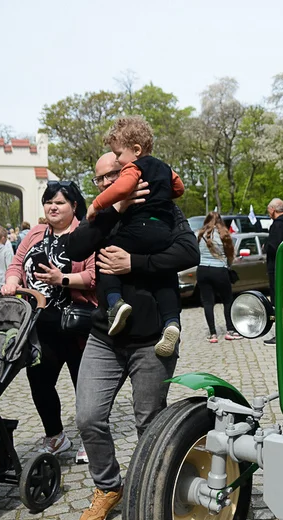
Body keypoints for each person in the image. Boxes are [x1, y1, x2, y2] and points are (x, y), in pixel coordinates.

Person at [64, 158, 199, 520]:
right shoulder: (105, 212)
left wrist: (133, 262)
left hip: (151, 341)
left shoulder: (164, 208)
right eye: (101, 177)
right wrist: (112, 209)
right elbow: (76, 248)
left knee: (149, 423)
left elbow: (189, 253)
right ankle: (108, 488)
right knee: (88, 417)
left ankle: (154, 489)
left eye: (113, 173)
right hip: (104, 337)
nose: (108, 179)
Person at [1, 181, 96, 458]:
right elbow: (17, 263)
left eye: (60, 202)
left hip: (78, 328)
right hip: (39, 327)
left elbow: (94, 276)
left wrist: (62, 279)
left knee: (86, 390)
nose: (53, 207)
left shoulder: (85, 234)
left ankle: (92, 442)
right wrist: (11, 281)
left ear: (74, 206)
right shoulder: (35, 233)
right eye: (48, 202)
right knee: (40, 384)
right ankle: (56, 436)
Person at [85, 116, 185, 357]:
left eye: (118, 154)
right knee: (163, 276)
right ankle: (172, 322)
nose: (117, 160)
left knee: (109, 254)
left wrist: (97, 205)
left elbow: (121, 188)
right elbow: (179, 188)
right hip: (162, 229)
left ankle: (115, 303)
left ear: (136, 150)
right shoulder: (164, 167)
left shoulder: (134, 168)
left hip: (140, 227)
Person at [196, 212, 242, 343]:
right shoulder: (224, 235)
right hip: (219, 270)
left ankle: (212, 334)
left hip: (203, 269)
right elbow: (230, 256)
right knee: (227, 300)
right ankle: (230, 330)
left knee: (207, 302)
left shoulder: (199, 235)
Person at [263, 198, 283, 345]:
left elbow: (275, 247)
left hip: (276, 269)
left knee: (277, 301)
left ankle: (279, 335)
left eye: (268, 209)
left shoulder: (277, 226)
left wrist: (266, 247)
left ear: (273, 210)